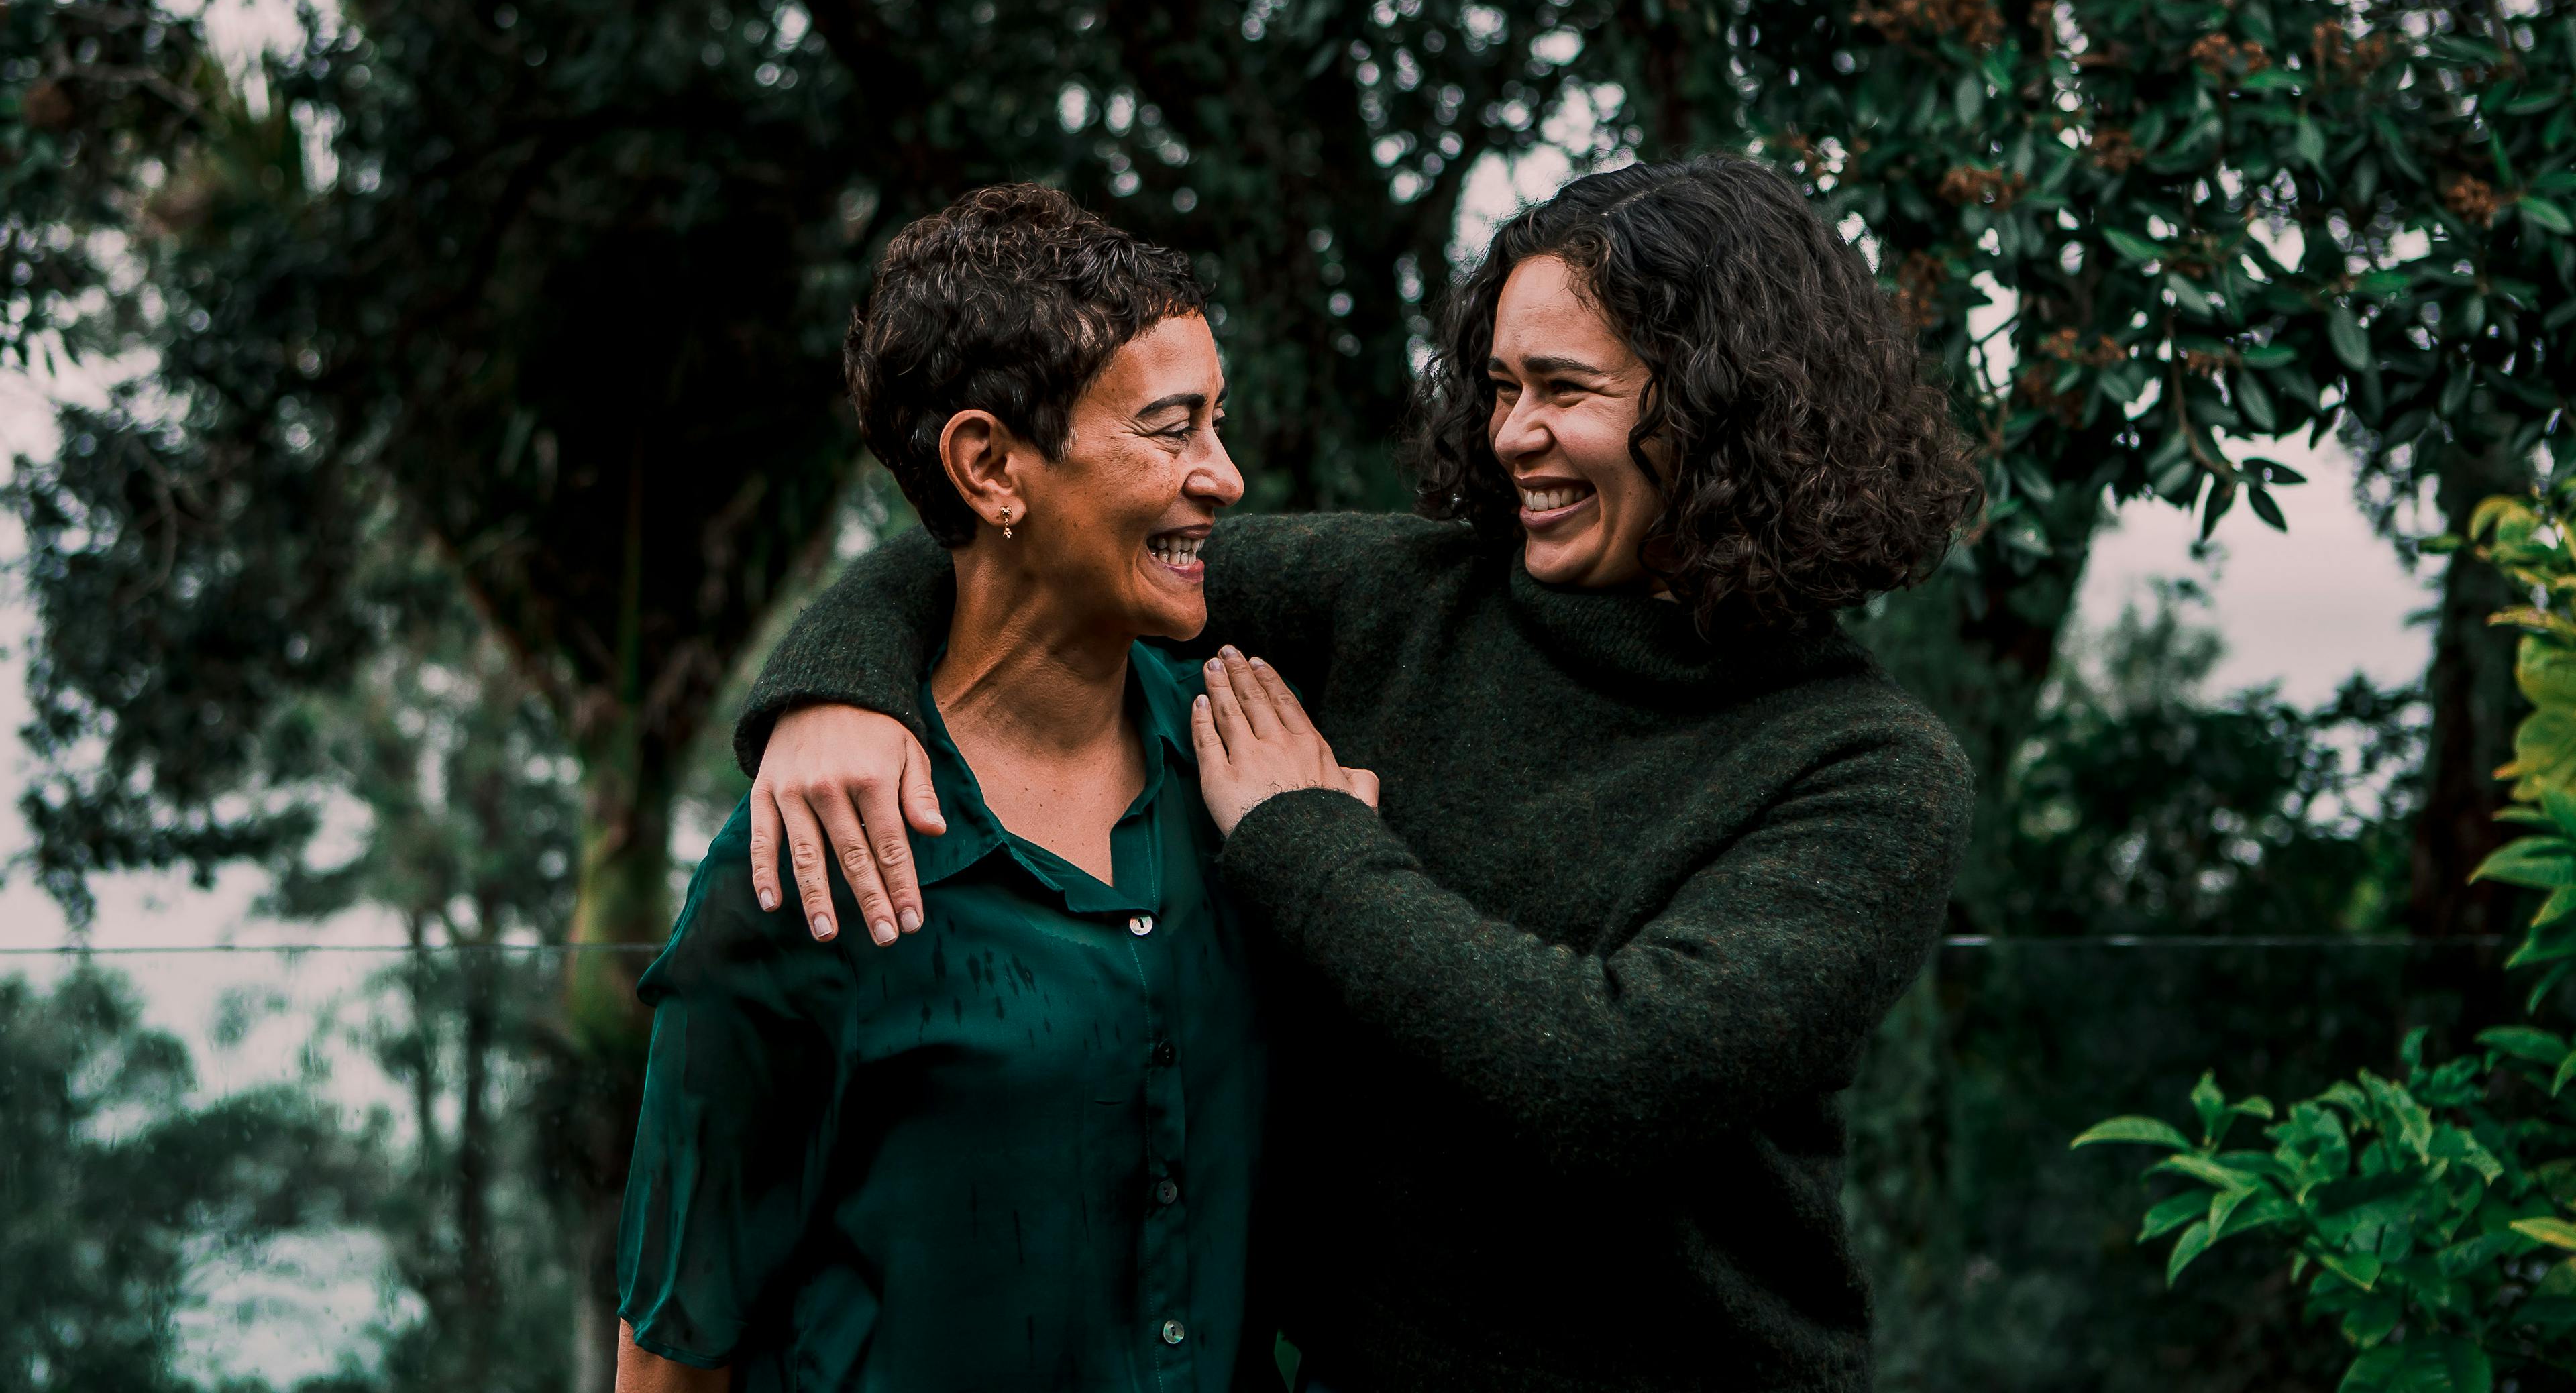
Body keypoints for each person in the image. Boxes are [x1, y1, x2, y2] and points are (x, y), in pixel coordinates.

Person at [732, 155, 1983, 1393]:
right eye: (1498, 387)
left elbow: (1611, 1081)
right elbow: (1041, 543)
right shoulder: (1393, 598)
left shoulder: (1865, 771)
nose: (1511, 438)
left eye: (1564, 390)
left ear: (1725, 409)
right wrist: (836, 690)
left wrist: (1303, 840)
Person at [615, 186, 1345, 1392]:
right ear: (990, 465)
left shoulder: (1256, 771)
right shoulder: (802, 867)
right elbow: (675, 1354)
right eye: (1171, 431)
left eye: (1219, 423)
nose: (1225, 476)